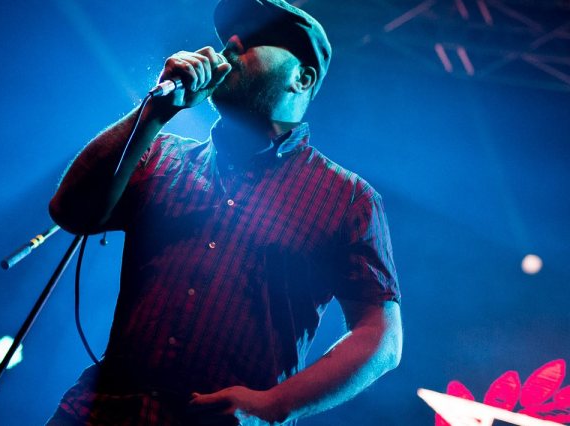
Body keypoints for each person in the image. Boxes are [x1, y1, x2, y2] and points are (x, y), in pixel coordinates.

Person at [47, 0, 402, 424]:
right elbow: (70, 211)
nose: (229, 45)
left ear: (302, 78)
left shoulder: (347, 197)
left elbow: (380, 337)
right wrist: (154, 112)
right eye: (229, 37)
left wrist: (274, 405)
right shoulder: (160, 154)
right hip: (100, 412)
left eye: (253, 39)